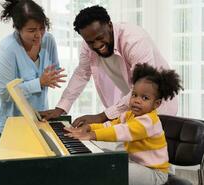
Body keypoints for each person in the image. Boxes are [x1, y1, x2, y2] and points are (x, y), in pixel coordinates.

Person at [40, 5, 178, 127]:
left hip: (158, 107)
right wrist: (61, 109)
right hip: (132, 106)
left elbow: (145, 86)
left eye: (100, 37)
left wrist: (101, 117)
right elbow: (81, 74)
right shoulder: (87, 46)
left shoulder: (135, 40)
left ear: (110, 26)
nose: (97, 45)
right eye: (90, 41)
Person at [0, 0, 66, 185]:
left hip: (36, 116)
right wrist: (38, 82)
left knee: (33, 170)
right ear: (18, 29)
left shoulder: (48, 41)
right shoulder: (7, 49)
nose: (38, 35)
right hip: (11, 120)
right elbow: (5, 93)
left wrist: (51, 75)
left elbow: (53, 68)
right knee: (6, 170)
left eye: (41, 28)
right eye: (31, 30)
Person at [64, 63, 183, 185]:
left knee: (109, 170)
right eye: (134, 95)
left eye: (145, 98)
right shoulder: (129, 115)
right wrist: (89, 127)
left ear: (156, 104)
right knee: (100, 156)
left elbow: (121, 131)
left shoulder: (149, 122)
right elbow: (110, 125)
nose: (137, 100)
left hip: (154, 172)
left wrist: (91, 135)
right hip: (135, 163)